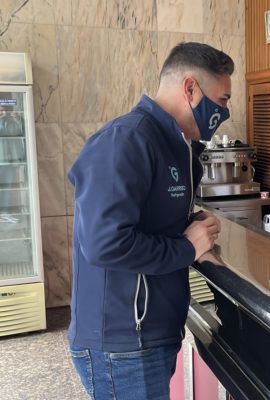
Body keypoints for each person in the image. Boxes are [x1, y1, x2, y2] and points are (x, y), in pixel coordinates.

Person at [67, 42, 234, 399]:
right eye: (221, 100)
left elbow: (150, 219)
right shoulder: (126, 140)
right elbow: (104, 242)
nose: (225, 111)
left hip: (153, 334)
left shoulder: (177, 146)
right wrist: (187, 247)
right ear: (190, 89)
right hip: (123, 342)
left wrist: (192, 229)